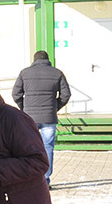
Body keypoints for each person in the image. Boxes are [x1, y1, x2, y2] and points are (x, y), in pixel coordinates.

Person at [12, 50, 70, 185]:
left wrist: (24, 109)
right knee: (47, 147)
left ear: (34, 60)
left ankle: (28, 178)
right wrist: (55, 108)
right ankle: (45, 180)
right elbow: (66, 95)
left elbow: (16, 94)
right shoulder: (57, 73)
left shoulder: (24, 73)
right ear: (48, 60)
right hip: (49, 118)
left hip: (29, 118)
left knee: (26, 147)